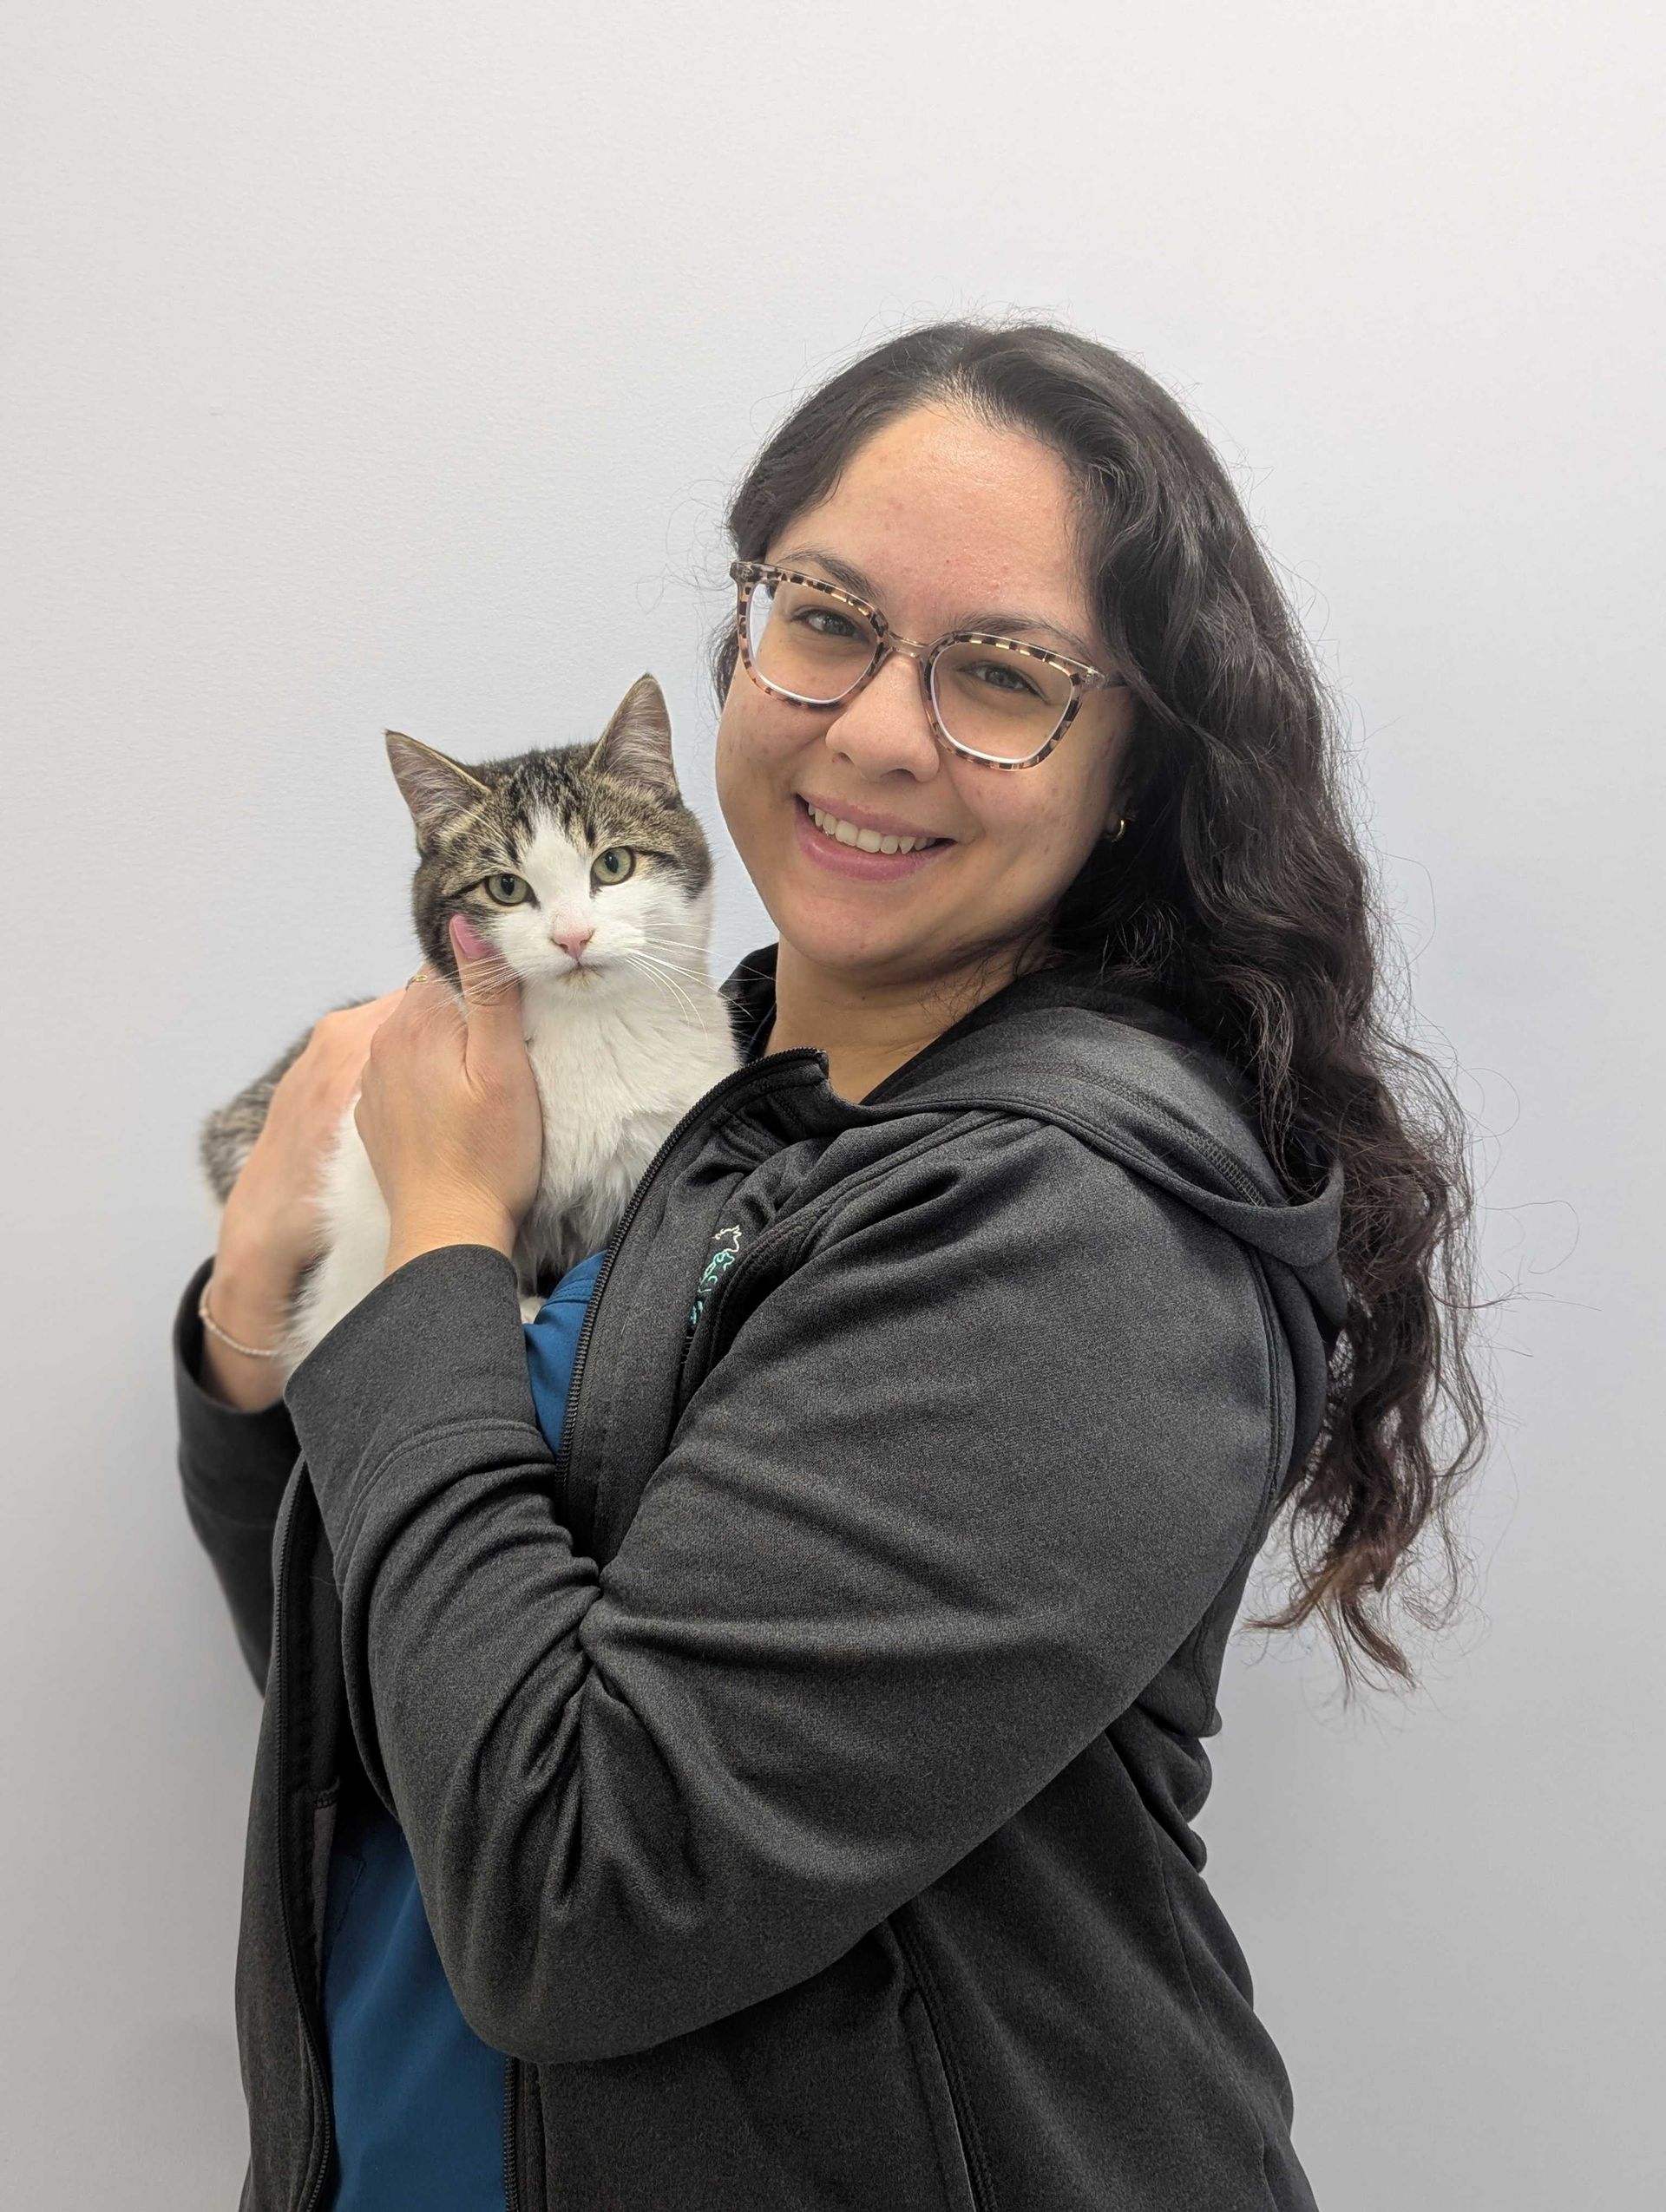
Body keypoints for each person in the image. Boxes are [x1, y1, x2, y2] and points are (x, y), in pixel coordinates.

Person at [174, 317, 1486, 2212]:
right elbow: (373, 1690)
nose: (877, 727)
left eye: (1007, 672)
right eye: (827, 618)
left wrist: (435, 1253)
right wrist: (244, 1340)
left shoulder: (1077, 1235)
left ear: (1129, 765)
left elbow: (576, 1899)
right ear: (743, 641)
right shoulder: (706, 1115)